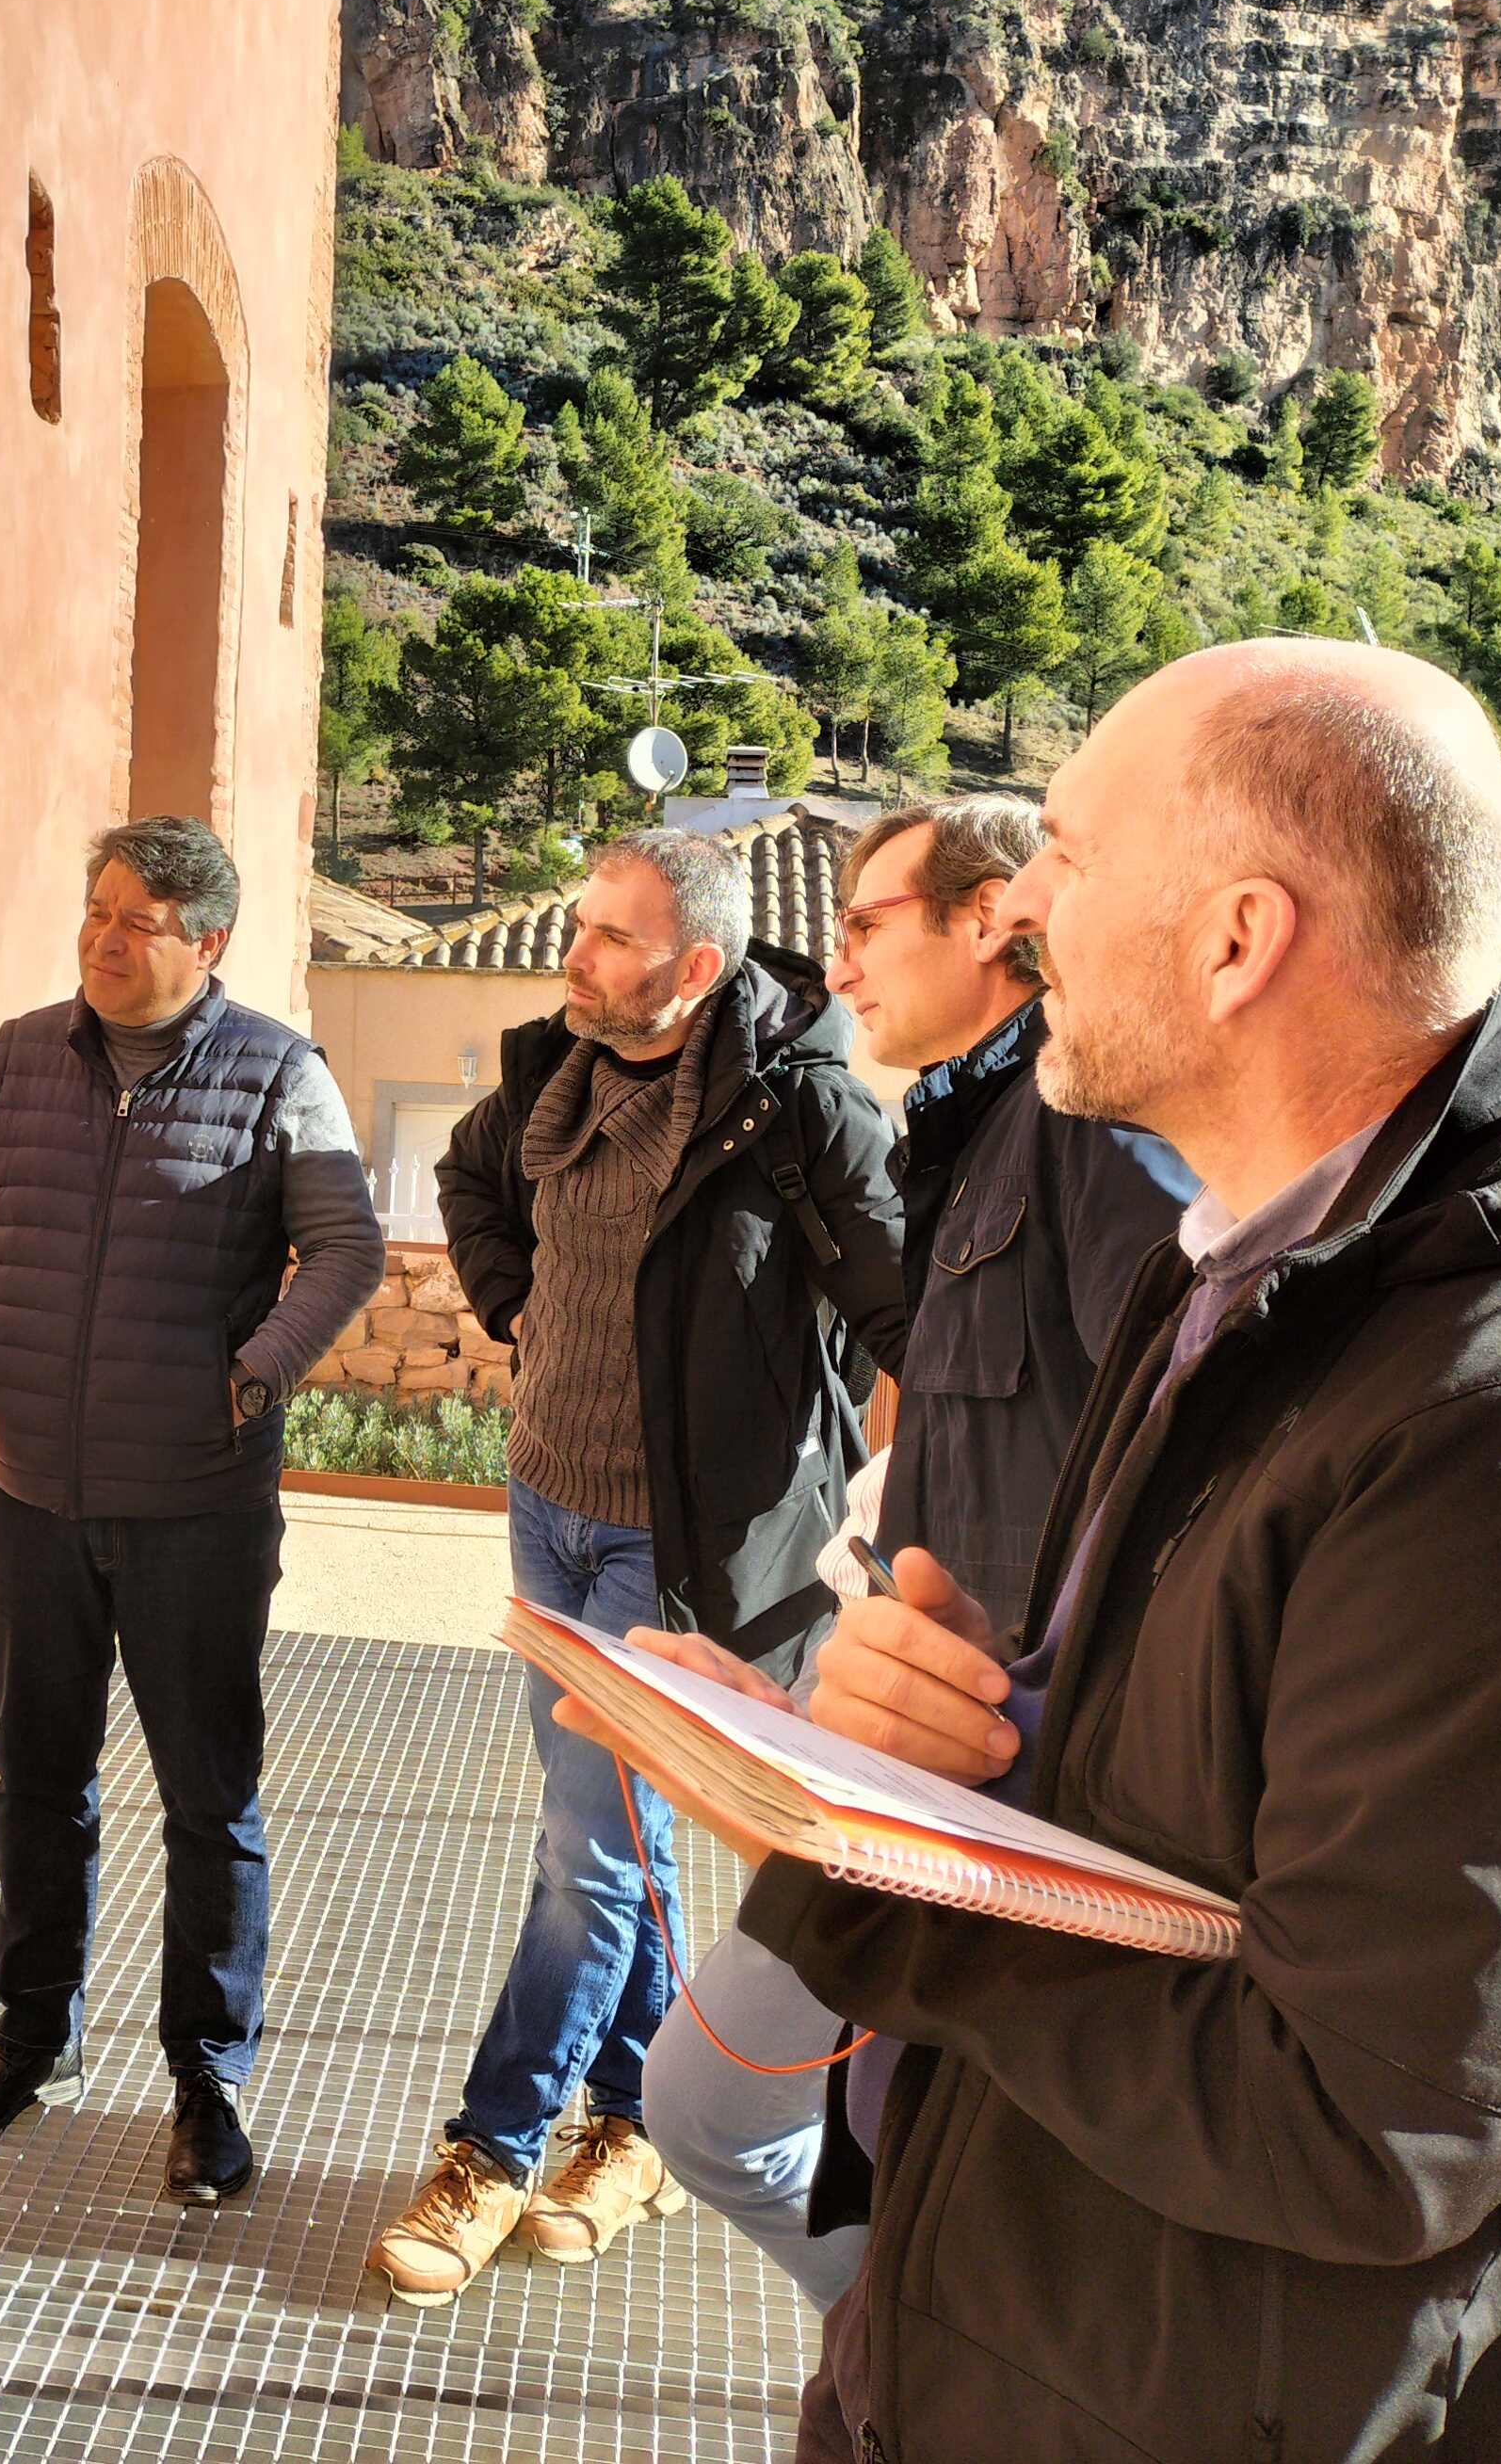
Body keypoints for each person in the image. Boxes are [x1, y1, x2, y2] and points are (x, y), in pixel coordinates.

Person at [565, 645, 1501, 2463]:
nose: (1028, 909)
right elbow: (1164, 1801)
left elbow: (1369, 2120)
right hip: (1003, 2341)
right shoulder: (1246, 1273)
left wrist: (866, 1875)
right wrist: (915, 1748)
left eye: (1068, 854)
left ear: (1236, 939)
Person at [638, 797, 1191, 2323]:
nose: (839, 965)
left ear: (992, 920)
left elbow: (1177, 1453)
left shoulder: (1095, 1137)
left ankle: (921, 2369)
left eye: (870, 925)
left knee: (719, 2109)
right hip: (918, 1745)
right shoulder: (974, 1134)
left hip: (999, 1776)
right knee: (805, 2123)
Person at [366, 830, 909, 2309]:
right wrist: (519, 1305)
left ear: (696, 968)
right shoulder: (559, 1069)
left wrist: (885, 1510)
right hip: (548, 1507)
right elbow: (471, 1179)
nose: (578, 955)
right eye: (582, 924)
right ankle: (635, 2126)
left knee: (588, 1855)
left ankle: (493, 2146)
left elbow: (912, 1319)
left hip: (682, 1551)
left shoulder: (802, 1110)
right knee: (617, 1842)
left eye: (613, 937)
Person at [0, 815, 384, 2205]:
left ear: (208, 941)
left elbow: (344, 1247)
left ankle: (206, 2079)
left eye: (138, 920)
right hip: (34, 1495)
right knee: (37, 1780)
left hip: (196, 1507)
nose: (105, 940)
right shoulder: (22, 1055)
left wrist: (251, 1376)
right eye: (97, 911)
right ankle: (30, 2037)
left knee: (208, 1801)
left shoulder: (279, 1071)